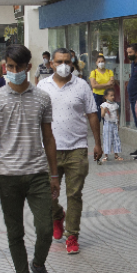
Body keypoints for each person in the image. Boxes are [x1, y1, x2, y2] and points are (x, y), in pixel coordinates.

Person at [0, 45, 60, 273]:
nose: (13, 72)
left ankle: (38, 264)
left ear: (29, 67)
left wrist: (54, 174)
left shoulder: (42, 98)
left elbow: (48, 137)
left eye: (18, 67)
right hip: (8, 176)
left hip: (38, 172)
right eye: (9, 67)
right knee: (14, 233)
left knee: (45, 228)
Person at [37, 48, 103, 254]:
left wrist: (98, 143)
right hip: (50, 151)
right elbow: (35, 117)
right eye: (59, 61)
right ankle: (57, 215)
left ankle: (72, 235)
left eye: (67, 61)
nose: (63, 65)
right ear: (51, 64)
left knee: (74, 194)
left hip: (77, 149)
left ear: (72, 63)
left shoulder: (82, 86)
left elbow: (92, 114)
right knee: (48, 195)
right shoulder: (42, 86)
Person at [100, 89, 122, 161]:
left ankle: (116, 155)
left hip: (114, 124)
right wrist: (105, 111)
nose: (113, 97)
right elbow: (102, 115)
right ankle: (106, 155)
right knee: (107, 139)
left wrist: (118, 123)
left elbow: (117, 115)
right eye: (111, 95)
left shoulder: (115, 105)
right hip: (107, 124)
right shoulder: (104, 105)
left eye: (113, 95)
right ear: (106, 97)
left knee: (116, 139)